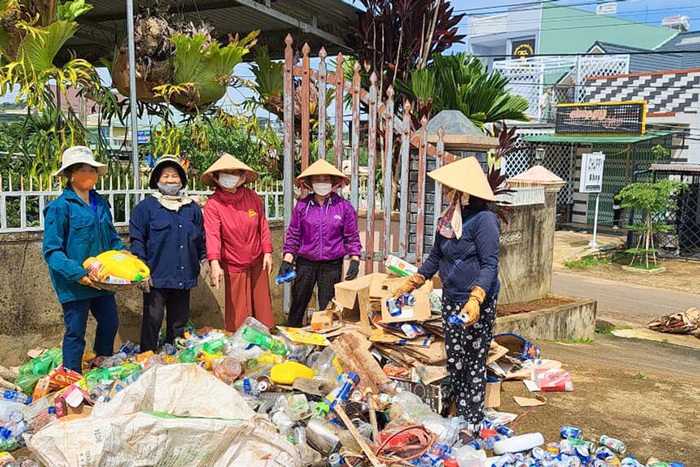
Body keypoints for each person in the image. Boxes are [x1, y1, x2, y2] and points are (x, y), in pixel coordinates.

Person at [394, 156, 500, 431]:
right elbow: (436, 257)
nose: (447, 193)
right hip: (452, 298)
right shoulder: (448, 220)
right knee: (455, 358)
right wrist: (414, 280)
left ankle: (472, 419)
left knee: (474, 359)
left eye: (451, 189)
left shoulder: (484, 220)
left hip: (477, 302)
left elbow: (489, 264)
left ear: (466, 192)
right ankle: (457, 411)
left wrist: (477, 298)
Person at [42, 146, 124, 373]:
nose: (89, 174)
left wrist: (123, 255)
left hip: (101, 278)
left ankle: (102, 361)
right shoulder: (60, 207)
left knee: (110, 322)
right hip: (74, 283)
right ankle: (72, 374)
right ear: (70, 175)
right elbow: (51, 251)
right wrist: (78, 273)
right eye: (82, 170)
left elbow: (111, 238)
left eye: (92, 170)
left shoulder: (101, 203)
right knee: (75, 330)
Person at [129, 155, 207, 352]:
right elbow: (137, 240)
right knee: (152, 320)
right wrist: (141, 270)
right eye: (165, 176)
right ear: (157, 180)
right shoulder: (145, 208)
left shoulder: (191, 208)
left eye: (174, 176)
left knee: (178, 322)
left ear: (182, 180)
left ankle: (174, 354)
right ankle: (147, 355)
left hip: (184, 275)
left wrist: (204, 259)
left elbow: (201, 237)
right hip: (156, 277)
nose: (170, 180)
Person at [280, 159, 362, 327]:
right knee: (298, 304)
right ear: (310, 183)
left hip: (331, 265)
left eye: (325, 179)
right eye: (317, 179)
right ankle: (292, 340)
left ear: (333, 182)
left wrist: (355, 260)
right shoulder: (302, 206)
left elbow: (352, 236)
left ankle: (325, 345)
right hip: (305, 263)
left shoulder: (343, 207)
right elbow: (294, 235)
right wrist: (287, 261)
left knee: (327, 307)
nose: (321, 183)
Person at [201, 153, 274, 331]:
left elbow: (262, 225)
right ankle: (239, 348)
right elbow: (212, 235)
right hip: (234, 262)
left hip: (258, 260)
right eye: (225, 173)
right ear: (216, 179)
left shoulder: (253, 197)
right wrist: (215, 263)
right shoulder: (213, 204)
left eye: (234, 173)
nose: (229, 177)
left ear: (242, 177)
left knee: (262, 307)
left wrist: (268, 252)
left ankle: (265, 344)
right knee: (238, 312)